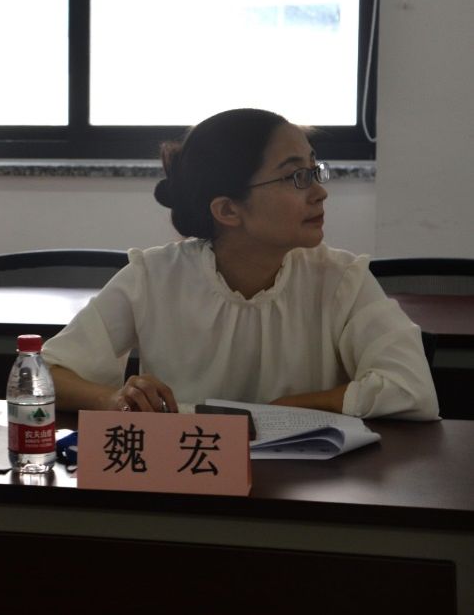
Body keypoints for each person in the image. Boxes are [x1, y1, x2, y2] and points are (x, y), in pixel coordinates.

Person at [44, 108, 439, 420]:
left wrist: (283, 410)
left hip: (309, 486)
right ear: (228, 210)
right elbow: (44, 374)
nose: (320, 192)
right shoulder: (153, 277)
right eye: (295, 177)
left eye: (313, 170)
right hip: (188, 478)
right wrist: (112, 399)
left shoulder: (341, 279)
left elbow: (412, 389)